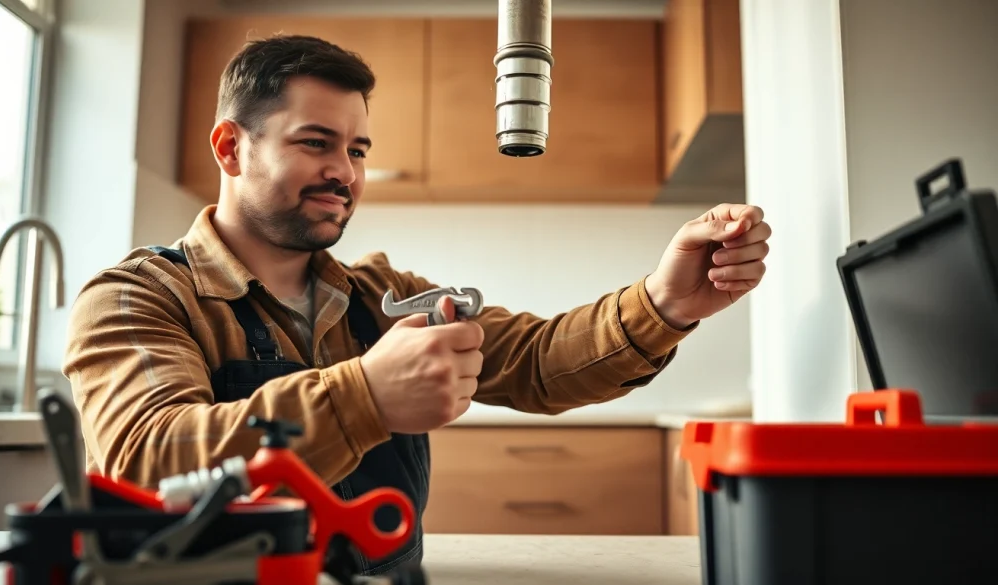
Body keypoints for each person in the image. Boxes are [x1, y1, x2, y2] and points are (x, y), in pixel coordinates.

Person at [62, 34, 771, 575]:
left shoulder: (379, 293)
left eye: (358, 149)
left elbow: (537, 360)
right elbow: (144, 462)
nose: (344, 171)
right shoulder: (139, 296)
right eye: (316, 142)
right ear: (230, 147)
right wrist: (365, 393)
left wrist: (664, 302)